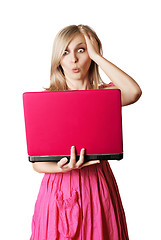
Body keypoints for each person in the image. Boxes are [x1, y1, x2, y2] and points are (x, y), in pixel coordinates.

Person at [30, 24, 142, 240]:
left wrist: (97, 56)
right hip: (58, 187)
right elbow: (37, 163)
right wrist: (62, 169)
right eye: (65, 52)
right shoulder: (46, 100)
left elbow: (134, 91)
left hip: (97, 185)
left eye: (81, 50)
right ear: (58, 59)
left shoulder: (105, 97)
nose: (73, 59)